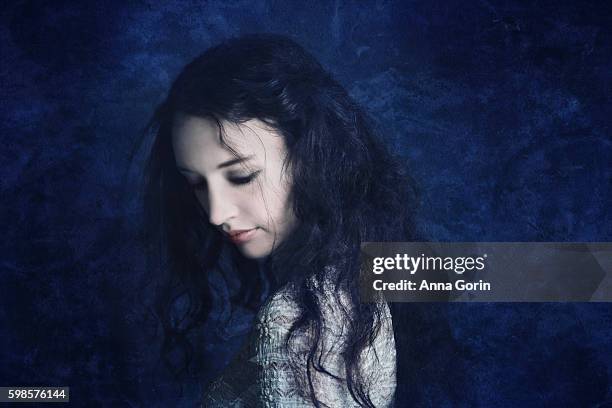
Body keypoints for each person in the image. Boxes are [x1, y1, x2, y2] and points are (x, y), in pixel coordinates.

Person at [143, 34, 419, 407]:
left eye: (241, 176)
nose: (216, 214)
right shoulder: (352, 282)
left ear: (311, 160)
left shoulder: (294, 322)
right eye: (196, 183)